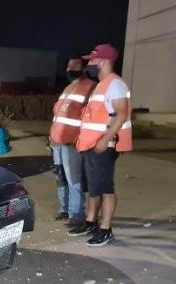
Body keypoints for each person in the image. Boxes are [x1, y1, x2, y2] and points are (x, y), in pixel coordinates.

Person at [69, 44, 133, 246]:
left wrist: (106, 139)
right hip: (91, 145)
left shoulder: (114, 84)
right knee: (94, 187)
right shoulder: (102, 84)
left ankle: (105, 229)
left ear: (103, 60)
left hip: (103, 146)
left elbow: (121, 113)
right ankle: (90, 222)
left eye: (93, 59)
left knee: (105, 188)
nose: (90, 63)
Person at [49, 57, 95, 227]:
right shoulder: (68, 87)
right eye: (68, 66)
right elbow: (58, 114)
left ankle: (76, 214)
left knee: (73, 179)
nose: (70, 70)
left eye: (74, 67)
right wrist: (51, 137)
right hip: (57, 143)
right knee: (60, 177)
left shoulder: (90, 87)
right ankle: (64, 209)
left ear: (83, 69)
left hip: (72, 143)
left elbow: (90, 117)